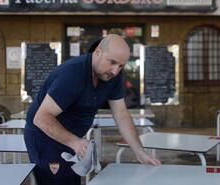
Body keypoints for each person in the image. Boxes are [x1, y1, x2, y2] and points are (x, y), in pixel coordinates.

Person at [24, 34, 161, 185]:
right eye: (112, 62)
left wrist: (139, 152)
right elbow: (41, 118)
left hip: (72, 139)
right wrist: (75, 142)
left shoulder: (113, 76)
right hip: (45, 137)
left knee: (72, 180)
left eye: (121, 65)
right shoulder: (72, 74)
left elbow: (121, 114)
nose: (115, 71)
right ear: (97, 52)